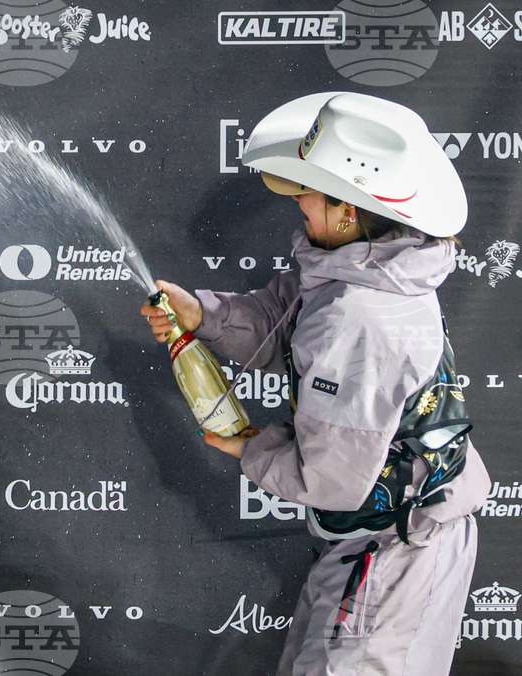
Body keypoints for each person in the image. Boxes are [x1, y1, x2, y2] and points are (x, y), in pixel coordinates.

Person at [142, 93, 491, 675]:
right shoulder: (366, 267)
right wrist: (202, 315)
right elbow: (288, 318)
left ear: (348, 209)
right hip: (379, 541)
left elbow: (333, 480)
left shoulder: (362, 316)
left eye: (310, 190)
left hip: (395, 551)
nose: (297, 199)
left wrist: (250, 447)